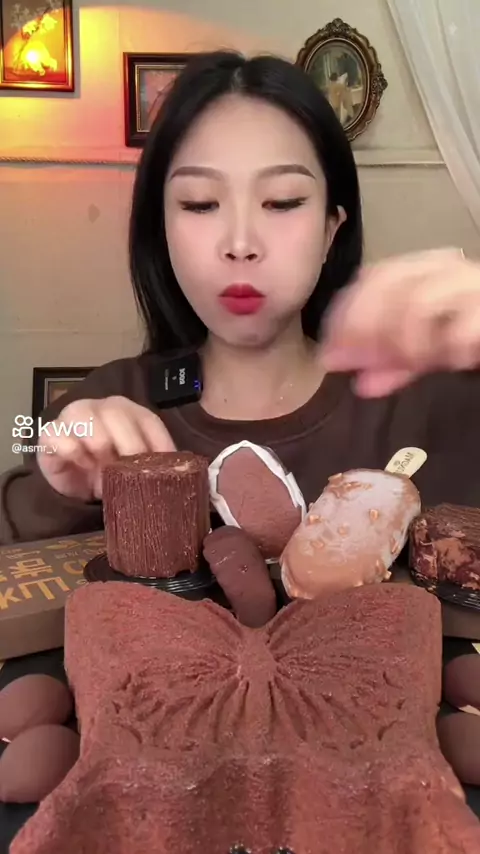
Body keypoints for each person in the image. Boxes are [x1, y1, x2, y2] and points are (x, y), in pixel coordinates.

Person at [1, 49, 480, 547]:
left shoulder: (430, 403)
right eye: (200, 204)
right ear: (161, 230)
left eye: (283, 202)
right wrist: (56, 496)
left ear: (330, 230)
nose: (240, 243)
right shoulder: (107, 409)